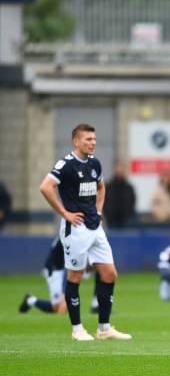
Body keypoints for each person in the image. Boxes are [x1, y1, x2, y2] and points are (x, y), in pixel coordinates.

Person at [39, 123, 131, 341]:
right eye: (88, 139)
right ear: (76, 141)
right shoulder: (66, 164)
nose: (93, 143)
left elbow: (101, 187)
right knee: (76, 276)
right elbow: (45, 187)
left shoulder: (94, 164)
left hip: (95, 226)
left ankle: (104, 328)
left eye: (94, 139)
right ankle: (77, 329)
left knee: (109, 274)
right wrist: (64, 213)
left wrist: (99, 212)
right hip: (76, 229)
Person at [19, 237, 67, 314]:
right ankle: (30, 300)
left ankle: (31, 300)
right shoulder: (67, 235)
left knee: (59, 306)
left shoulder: (66, 233)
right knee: (59, 306)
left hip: (59, 268)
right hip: (54, 270)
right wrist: (64, 292)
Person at [103, 162, 136, 228]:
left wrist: (128, 215)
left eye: (121, 170)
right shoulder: (108, 187)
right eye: (118, 170)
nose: (119, 172)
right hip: (111, 222)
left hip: (126, 222)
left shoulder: (129, 188)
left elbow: (132, 202)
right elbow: (103, 201)